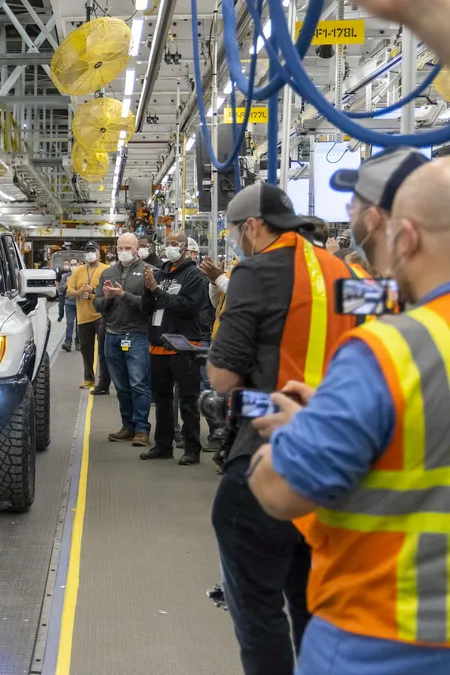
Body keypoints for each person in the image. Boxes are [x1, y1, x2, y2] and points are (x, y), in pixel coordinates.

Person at [247, 155, 450, 674]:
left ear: (405, 239)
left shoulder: (392, 351)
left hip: (382, 638)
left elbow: (279, 488)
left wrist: (301, 432)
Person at [207, 180, 369, 675]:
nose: (237, 240)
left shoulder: (253, 271)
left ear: (253, 227)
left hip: (271, 452)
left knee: (257, 608)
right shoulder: (351, 274)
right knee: (311, 601)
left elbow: (223, 375)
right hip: (338, 458)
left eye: (236, 231)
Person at [140, 230, 209, 464]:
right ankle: (163, 445)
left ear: (184, 248)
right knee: (161, 400)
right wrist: (148, 289)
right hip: (158, 345)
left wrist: (157, 291)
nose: (169, 247)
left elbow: (189, 306)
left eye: (174, 243)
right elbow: (146, 308)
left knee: (188, 400)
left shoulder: (193, 275)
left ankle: (192, 449)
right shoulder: (159, 273)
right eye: (167, 243)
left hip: (184, 345)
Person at [94, 232, 153, 447]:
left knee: (138, 383)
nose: (124, 252)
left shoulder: (148, 272)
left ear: (137, 248)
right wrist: (108, 299)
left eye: (128, 248)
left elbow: (149, 306)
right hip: (112, 334)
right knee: (121, 386)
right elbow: (97, 305)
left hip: (137, 334)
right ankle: (127, 426)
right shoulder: (108, 273)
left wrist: (122, 295)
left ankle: (141, 429)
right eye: (121, 248)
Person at [67, 241, 109, 389]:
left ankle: (104, 381)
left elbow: (108, 291)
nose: (90, 254)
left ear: (99, 253)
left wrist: (92, 291)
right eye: (88, 251)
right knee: (86, 351)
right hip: (83, 317)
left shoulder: (106, 269)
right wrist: (81, 292)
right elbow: (69, 291)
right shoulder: (78, 271)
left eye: (93, 251)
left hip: (101, 316)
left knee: (104, 351)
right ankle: (89, 378)